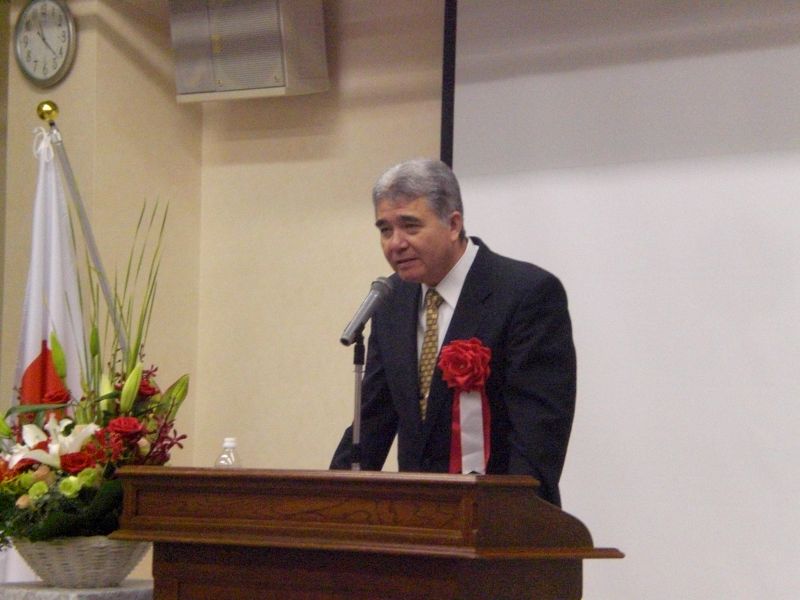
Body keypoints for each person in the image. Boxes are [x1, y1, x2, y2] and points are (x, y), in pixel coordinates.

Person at [330, 158, 576, 506]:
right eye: (385, 230)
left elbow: (537, 439)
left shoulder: (526, 294)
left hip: (500, 520)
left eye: (410, 226)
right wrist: (327, 506)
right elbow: (371, 424)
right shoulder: (391, 302)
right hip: (419, 521)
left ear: (453, 224)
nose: (395, 243)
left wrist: (510, 517)